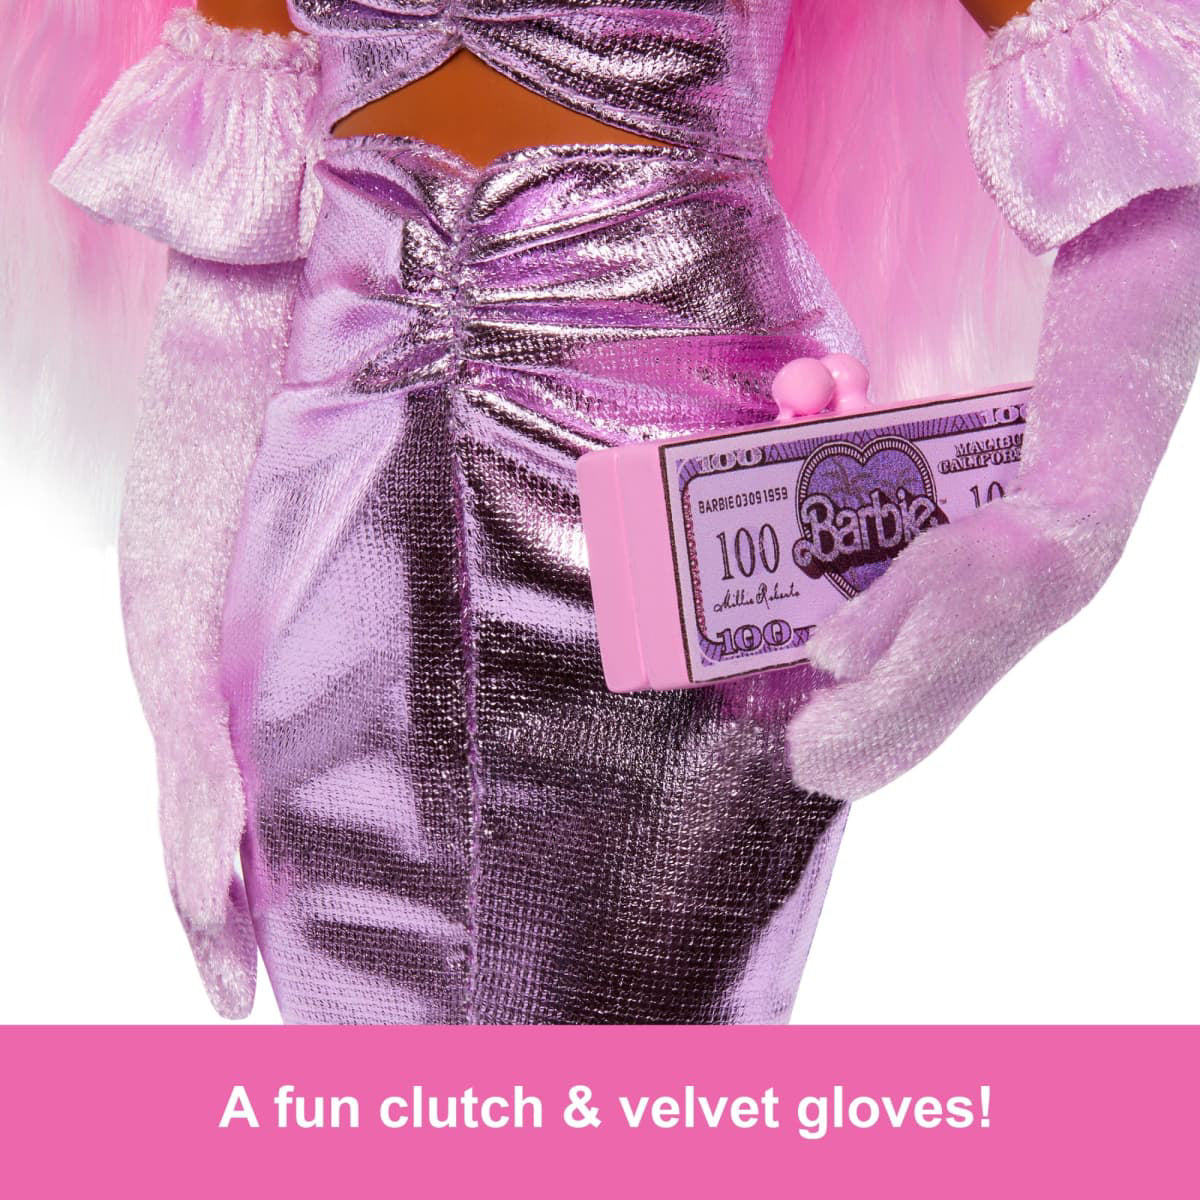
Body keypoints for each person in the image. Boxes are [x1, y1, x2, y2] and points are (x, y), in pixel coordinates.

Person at [19, 0, 1200, 1021]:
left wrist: (1067, 519)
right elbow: (228, 280)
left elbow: (1141, 105)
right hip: (334, 568)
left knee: (650, 1098)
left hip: (685, 556)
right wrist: (178, 700)